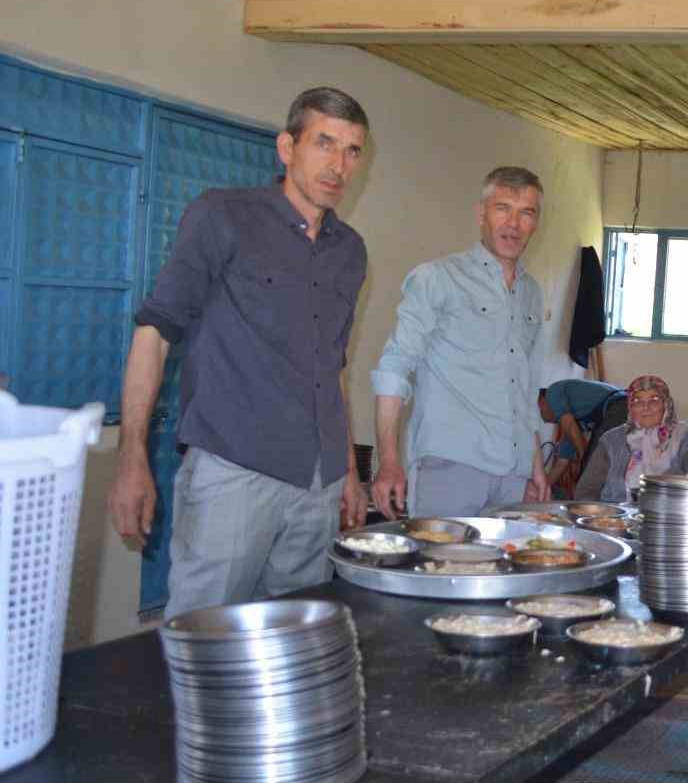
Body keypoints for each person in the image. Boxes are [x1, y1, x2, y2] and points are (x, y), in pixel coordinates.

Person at [108, 87, 371, 619]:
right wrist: (131, 456)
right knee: (204, 642)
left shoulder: (351, 250)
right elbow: (154, 332)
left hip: (317, 486)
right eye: (324, 143)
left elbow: (333, 368)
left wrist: (348, 473)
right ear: (287, 147)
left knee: (292, 649)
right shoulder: (222, 216)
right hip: (234, 471)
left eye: (352, 150)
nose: (338, 164)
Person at [370, 167, 552, 518]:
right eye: (502, 208)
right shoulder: (438, 278)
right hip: (450, 469)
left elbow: (524, 391)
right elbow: (394, 369)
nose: (513, 223)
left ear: (536, 222)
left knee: (505, 571)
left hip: (513, 476)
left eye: (526, 212)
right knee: (441, 569)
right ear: (481, 213)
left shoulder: (531, 292)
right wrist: (389, 462)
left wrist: (535, 468)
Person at [575, 375, 688, 502]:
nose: (646, 407)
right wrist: (598, 516)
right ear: (630, 407)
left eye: (654, 400)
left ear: (666, 404)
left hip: (669, 517)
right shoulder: (611, 439)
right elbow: (586, 490)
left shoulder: (686, 437)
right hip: (615, 517)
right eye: (637, 401)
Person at [538, 378, 624, 488]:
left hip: (619, 405)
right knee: (603, 465)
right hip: (619, 408)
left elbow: (569, 426)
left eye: (541, 412)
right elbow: (561, 463)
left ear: (542, 402)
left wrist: (584, 460)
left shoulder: (553, 391)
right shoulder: (575, 422)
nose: (544, 420)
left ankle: (597, 502)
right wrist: (542, 489)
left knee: (594, 466)